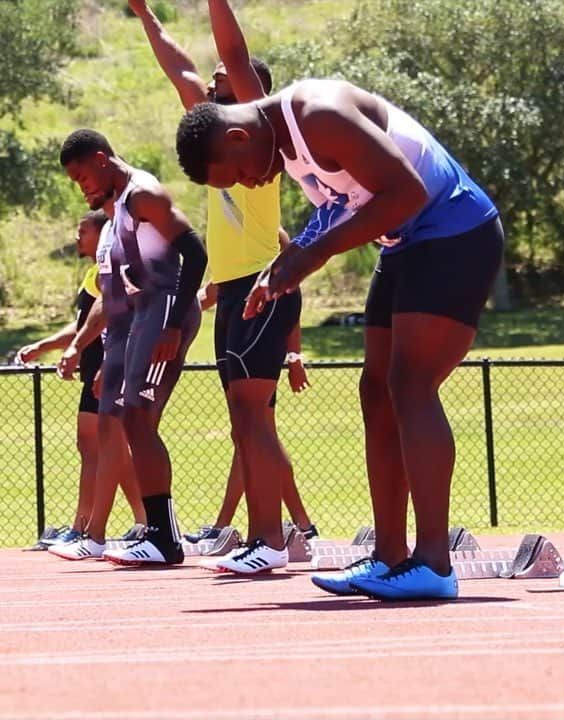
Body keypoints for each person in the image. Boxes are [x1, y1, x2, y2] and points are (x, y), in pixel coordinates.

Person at [176, 67, 504, 599]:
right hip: (405, 243)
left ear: (238, 137)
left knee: (410, 386)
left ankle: (435, 564)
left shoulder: (318, 115)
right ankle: (389, 557)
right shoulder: (278, 142)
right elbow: (336, 207)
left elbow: (407, 192)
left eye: (235, 174)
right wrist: (283, 266)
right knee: (375, 391)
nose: (246, 184)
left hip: (453, 229)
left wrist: (311, 256)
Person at [129, 0, 317, 570]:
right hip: (232, 288)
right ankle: (271, 538)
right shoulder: (215, 133)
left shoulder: (261, 135)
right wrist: (144, 14)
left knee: (252, 416)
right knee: (243, 419)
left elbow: (232, 58)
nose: (211, 89)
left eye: (223, 84)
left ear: (249, 90)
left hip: (264, 285)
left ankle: (271, 541)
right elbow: (181, 71)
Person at [58, 128, 206, 565]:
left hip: (163, 315)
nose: (81, 186)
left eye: (82, 176)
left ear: (102, 159)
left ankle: (164, 536)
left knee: (139, 420)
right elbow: (119, 295)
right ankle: (157, 532)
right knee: (131, 423)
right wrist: (111, 360)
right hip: (139, 320)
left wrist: (174, 326)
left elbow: (194, 253)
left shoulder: (143, 195)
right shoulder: (120, 206)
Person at [17, 210, 146, 550]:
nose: (77, 237)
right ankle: (140, 520)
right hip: (93, 370)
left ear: (102, 235)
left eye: (82, 231)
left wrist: (106, 363)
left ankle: (88, 526)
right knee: (101, 448)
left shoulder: (111, 271)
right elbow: (84, 324)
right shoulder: (94, 275)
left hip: (106, 369)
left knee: (100, 447)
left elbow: (114, 319)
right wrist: (47, 345)